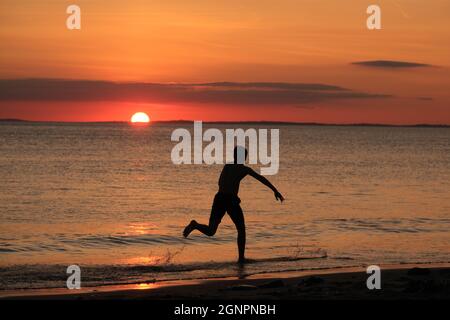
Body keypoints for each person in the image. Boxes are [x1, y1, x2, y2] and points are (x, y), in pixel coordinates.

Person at [183, 146, 284, 263]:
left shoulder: (227, 166)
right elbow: (261, 179)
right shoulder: (243, 169)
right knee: (241, 229)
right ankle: (241, 258)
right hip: (230, 200)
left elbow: (219, 182)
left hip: (219, 198)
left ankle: (195, 225)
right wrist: (275, 190)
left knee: (211, 231)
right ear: (242, 157)